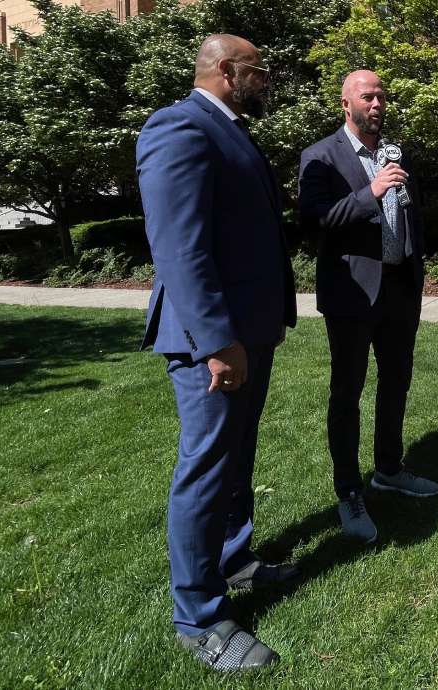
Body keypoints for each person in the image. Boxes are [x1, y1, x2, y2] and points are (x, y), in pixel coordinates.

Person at [136, 34, 298, 672]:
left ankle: (234, 560)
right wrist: (217, 342)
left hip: (244, 335)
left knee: (236, 459)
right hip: (215, 342)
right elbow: (178, 246)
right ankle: (198, 617)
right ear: (228, 71)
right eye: (260, 70)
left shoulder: (229, 128)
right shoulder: (179, 126)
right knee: (206, 471)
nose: (267, 80)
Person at [298, 70, 438, 544]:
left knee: (396, 382)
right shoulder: (321, 156)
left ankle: (390, 468)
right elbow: (317, 221)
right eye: (368, 95)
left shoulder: (396, 154)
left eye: (382, 95)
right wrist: (370, 192)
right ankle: (348, 490)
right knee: (348, 391)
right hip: (354, 294)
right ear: (346, 103)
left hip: (400, 286)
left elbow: (412, 213)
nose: (377, 102)